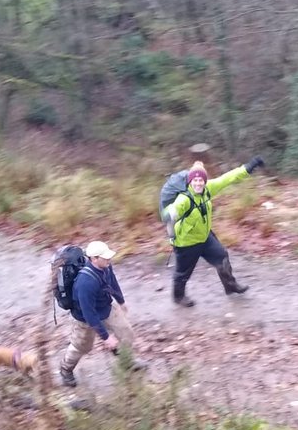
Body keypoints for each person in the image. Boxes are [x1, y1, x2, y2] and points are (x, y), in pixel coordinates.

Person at [162, 157, 264, 307]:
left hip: (204, 237)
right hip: (186, 242)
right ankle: (178, 297)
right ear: (190, 182)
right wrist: (169, 214)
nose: (198, 183)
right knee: (183, 273)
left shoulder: (208, 189)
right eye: (195, 181)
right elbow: (173, 210)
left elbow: (227, 178)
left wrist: (248, 168)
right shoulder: (184, 199)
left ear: (204, 181)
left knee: (222, 257)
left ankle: (230, 286)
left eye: (201, 180)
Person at [57, 240, 138, 387]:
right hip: (84, 318)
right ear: (94, 259)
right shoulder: (85, 283)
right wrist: (106, 337)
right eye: (105, 257)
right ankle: (65, 369)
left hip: (106, 306)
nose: (109, 259)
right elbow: (89, 314)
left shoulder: (106, 266)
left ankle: (125, 360)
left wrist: (121, 301)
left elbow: (112, 281)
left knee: (127, 334)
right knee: (81, 347)